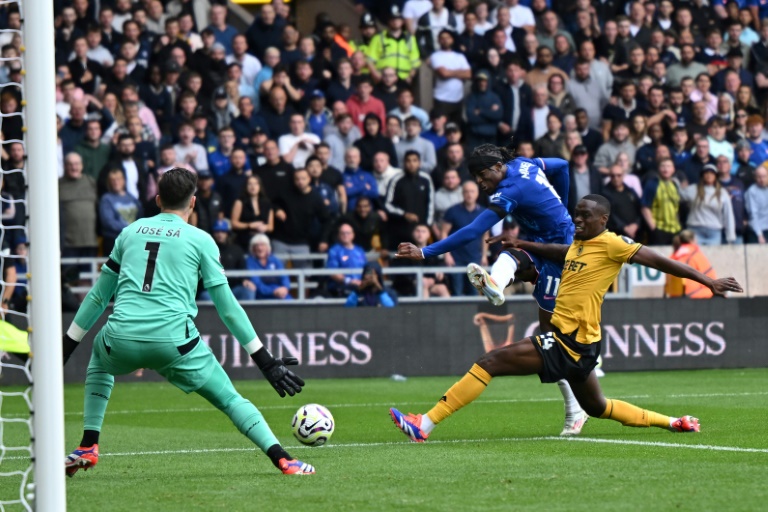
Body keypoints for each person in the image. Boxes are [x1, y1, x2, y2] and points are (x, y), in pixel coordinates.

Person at [390, 194, 743, 442]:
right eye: (576, 213)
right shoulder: (580, 242)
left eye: (585, 215)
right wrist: (523, 244)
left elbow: (660, 261)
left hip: (568, 340)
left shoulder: (613, 243)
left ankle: (425, 423)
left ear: (602, 220)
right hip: (582, 345)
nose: (577, 219)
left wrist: (708, 280)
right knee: (599, 406)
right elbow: (561, 251)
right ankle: (674, 422)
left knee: (489, 361)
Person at [61, 168, 314, 477]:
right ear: (193, 203)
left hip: (122, 338)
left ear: (157, 200)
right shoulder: (201, 240)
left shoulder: (129, 232)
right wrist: (265, 361)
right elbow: (228, 308)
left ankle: (89, 443)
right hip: (175, 343)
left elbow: (98, 298)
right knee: (231, 400)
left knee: (99, 359)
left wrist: (65, 348)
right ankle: (283, 460)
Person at [394, 143, 590, 436]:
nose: (480, 182)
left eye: (482, 175)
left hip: (562, 255)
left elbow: (474, 230)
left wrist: (426, 252)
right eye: (475, 177)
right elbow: (562, 165)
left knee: (552, 342)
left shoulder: (510, 190)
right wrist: (562, 201)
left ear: (498, 167)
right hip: (539, 244)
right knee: (509, 254)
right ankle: (496, 284)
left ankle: (577, 409)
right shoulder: (526, 163)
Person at [680, 164, 736, 245]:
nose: (709, 175)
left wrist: (730, 236)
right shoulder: (692, 189)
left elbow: (728, 215)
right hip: (695, 229)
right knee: (694, 256)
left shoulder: (722, 193)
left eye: (712, 173)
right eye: (706, 173)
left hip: (714, 231)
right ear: (702, 176)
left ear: (716, 176)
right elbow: (676, 198)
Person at [99, 167, 143, 255]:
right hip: (114, 241)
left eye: (118, 179)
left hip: (133, 240)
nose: (116, 182)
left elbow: (140, 214)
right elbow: (109, 222)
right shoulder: (106, 199)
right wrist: (130, 229)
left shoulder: (131, 197)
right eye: (113, 180)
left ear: (123, 180)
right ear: (109, 182)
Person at [665, 230, 718, 299]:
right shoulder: (696, 255)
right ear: (693, 240)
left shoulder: (673, 256)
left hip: (675, 296)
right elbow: (712, 279)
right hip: (694, 295)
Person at [230, 175, 274, 251]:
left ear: (260, 186)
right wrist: (249, 225)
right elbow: (233, 223)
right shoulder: (239, 202)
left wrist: (265, 227)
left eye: (256, 184)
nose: (253, 186)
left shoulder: (267, 203)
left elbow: (271, 227)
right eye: (250, 184)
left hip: (262, 240)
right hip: (244, 240)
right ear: (246, 186)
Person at [245, 234, 293, 300]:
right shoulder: (250, 261)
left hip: (280, 292)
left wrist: (285, 288)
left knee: (289, 301)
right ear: (252, 248)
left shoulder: (274, 260)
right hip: (260, 295)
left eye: (262, 245)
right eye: (256, 245)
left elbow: (284, 277)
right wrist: (273, 291)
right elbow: (256, 283)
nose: (260, 248)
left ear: (267, 247)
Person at [325, 223, 368, 297]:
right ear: (338, 235)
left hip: (362, 285)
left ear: (353, 235)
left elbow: (366, 267)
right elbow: (332, 272)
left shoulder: (360, 250)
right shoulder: (334, 251)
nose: (345, 235)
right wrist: (349, 281)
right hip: (342, 287)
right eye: (342, 233)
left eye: (348, 233)